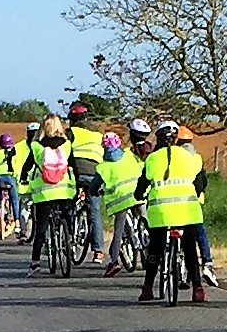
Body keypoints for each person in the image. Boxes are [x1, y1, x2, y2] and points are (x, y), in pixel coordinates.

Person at [134, 120, 208, 302]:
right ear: (176, 139)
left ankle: (147, 288)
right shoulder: (189, 157)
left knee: (155, 248)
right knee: (190, 249)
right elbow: (201, 183)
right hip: (187, 211)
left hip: (160, 213)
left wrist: (139, 195)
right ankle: (198, 289)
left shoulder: (152, 159)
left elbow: (142, 185)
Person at [19, 114, 76, 275]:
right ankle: (69, 240)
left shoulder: (36, 146)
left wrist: (23, 179)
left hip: (44, 192)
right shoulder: (67, 145)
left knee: (41, 228)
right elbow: (74, 165)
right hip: (64, 190)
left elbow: (27, 167)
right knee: (66, 216)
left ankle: (35, 263)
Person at [93, 133, 145, 277]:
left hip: (119, 201)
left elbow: (94, 187)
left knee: (118, 232)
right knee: (145, 218)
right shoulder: (129, 155)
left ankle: (114, 261)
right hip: (136, 194)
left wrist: (94, 191)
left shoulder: (102, 167)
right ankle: (148, 240)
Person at [176, 125, 218, 287]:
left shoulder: (174, 158)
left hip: (175, 202)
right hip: (194, 203)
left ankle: (177, 266)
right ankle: (207, 263)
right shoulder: (196, 158)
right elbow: (202, 182)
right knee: (200, 234)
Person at [66, 103, 106, 264]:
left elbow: (65, 152)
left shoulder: (71, 132)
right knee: (94, 212)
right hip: (95, 174)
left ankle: (68, 238)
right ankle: (98, 251)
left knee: (68, 205)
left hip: (76, 173)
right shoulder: (98, 135)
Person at [0, 133, 22, 235]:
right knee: (15, 199)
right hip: (10, 178)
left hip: (0, 178)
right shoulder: (15, 154)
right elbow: (17, 167)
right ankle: (17, 221)